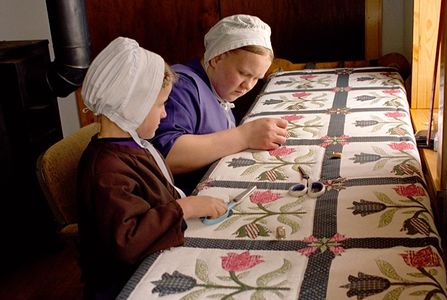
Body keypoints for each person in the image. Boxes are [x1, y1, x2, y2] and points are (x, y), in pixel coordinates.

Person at [77, 37, 227, 299]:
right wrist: (185, 207)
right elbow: (128, 241)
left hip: (155, 253)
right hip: (125, 283)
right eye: (160, 105)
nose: (164, 114)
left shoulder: (135, 145)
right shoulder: (106, 171)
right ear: (132, 105)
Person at [152, 14, 289, 195]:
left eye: (256, 78)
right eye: (243, 73)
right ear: (216, 59)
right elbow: (166, 156)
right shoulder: (181, 87)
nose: (247, 86)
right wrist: (244, 136)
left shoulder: (218, 90)